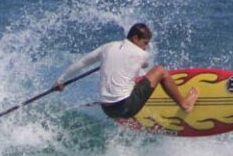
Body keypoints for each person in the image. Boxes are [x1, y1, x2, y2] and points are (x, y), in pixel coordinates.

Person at [53, 23, 197, 118]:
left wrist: (61, 80)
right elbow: (145, 66)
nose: (145, 47)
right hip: (125, 107)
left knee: (131, 80)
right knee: (160, 71)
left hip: (107, 109)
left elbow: (82, 62)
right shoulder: (142, 55)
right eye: (145, 43)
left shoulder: (107, 47)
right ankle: (184, 104)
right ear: (135, 38)